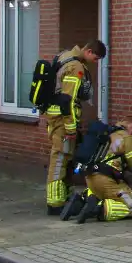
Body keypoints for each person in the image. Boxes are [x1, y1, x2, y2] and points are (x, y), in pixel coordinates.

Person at [44, 39, 107, 215]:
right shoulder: (76, 67)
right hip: (63, 122)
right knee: (60, 158)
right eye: (96, 59)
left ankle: (62, 197)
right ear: (89, 52)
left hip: (55, 118)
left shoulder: (64, 56)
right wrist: (71, 129)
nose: (95, 63)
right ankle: (55, 203)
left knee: (65, 158)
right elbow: (68, 100)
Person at [67, 117, 132, 223]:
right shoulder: (127, 138)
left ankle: (81, 202)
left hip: (89, 179)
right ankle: (99, 209)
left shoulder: (106, 133)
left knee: (104, 193)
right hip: (107, 181)